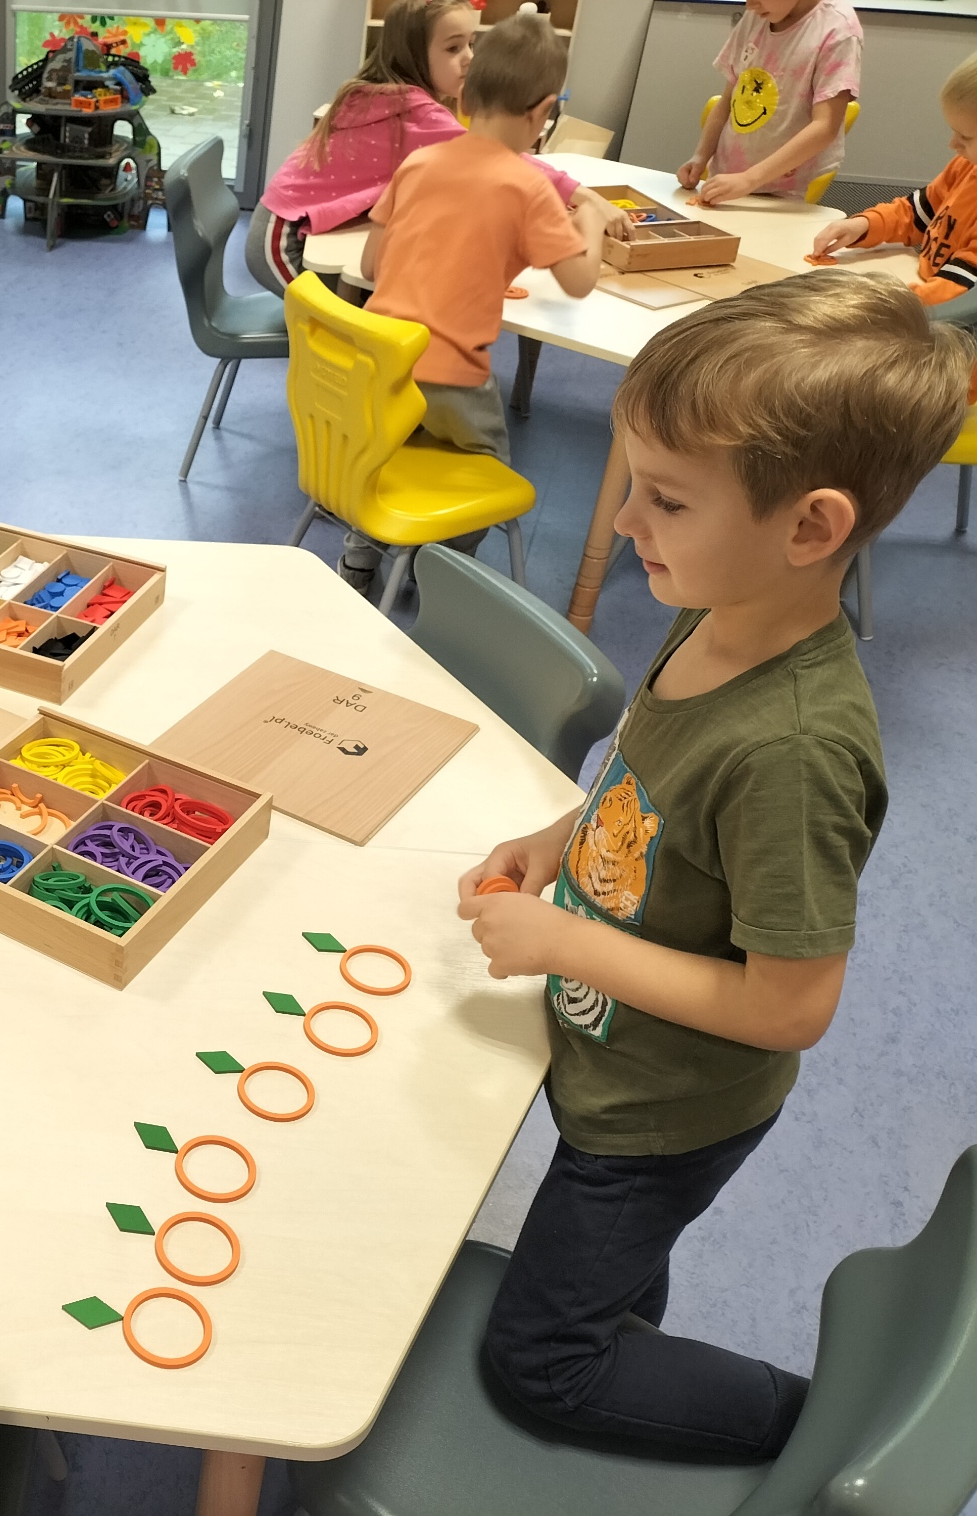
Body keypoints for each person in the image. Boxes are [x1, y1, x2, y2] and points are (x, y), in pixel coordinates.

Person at [459, 271, 971, 1457]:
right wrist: (557, 843)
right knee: (614, 1279)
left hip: (662, 1112)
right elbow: (645, 789)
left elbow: (790, 1007)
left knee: (541, 1362)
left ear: (809, 529)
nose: (621, 519)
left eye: (666, 499)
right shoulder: (716, 607)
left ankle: (817, 1429)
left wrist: (565, 940)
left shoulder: (793, 750)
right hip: (610, 1055)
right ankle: (628, 1319)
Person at [352, 8, 612, 593]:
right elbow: (578, 282)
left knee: (381, 464)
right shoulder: (530, 187)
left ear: (465, 95)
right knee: (488, 478)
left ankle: (360, 560)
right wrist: (591, 222)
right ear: (544, 112)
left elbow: (370, 267)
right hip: (453, 378)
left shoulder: (418, 163)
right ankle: (435, 569)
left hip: (380, 364)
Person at [246, 0, 621, 297]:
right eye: (453, 48)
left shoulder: (387, 94)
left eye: (471, 44)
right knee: (346, 326)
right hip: (282, 238)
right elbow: (498, 157)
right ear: (412, 55)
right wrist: (584, 196)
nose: (469, 57)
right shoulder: (414, 111)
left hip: (291, 227)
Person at [811, 49, 977, 335]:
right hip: (924, 302)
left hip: (953, 332)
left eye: (965, 137)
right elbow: (915, 213)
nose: (952, 144)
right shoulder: (965, 167)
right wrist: (864, 225)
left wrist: (883, 304)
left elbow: (960, 294)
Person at [678, 0, 860, 206]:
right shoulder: (759, 15)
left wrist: (749, 179)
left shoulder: (838, 29)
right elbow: (728, 99)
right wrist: (700, 157)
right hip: (726, 180)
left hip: (783, 192)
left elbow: (825, 127)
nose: (750, 5)